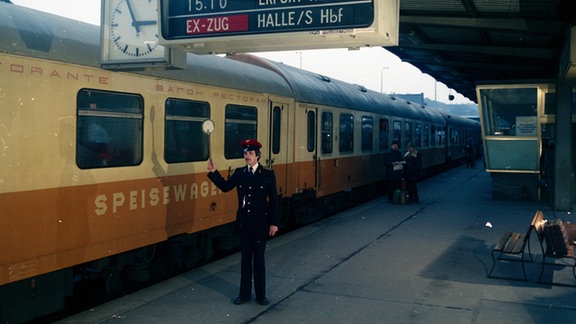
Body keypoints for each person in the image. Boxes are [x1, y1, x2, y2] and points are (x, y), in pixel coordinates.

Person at [207, 139, 279, 306]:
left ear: (258, 156)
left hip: (261, 225)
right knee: (245, 262)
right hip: (244, 225)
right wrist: (213, 172)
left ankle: (261, 296)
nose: (247, 156)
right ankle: (244, 295)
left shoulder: (268, 175)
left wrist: (274, 223)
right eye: (245, 154)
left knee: (259, 262)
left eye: (250, 154)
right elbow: (225, 187)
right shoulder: (240, 173)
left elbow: (274, 201)